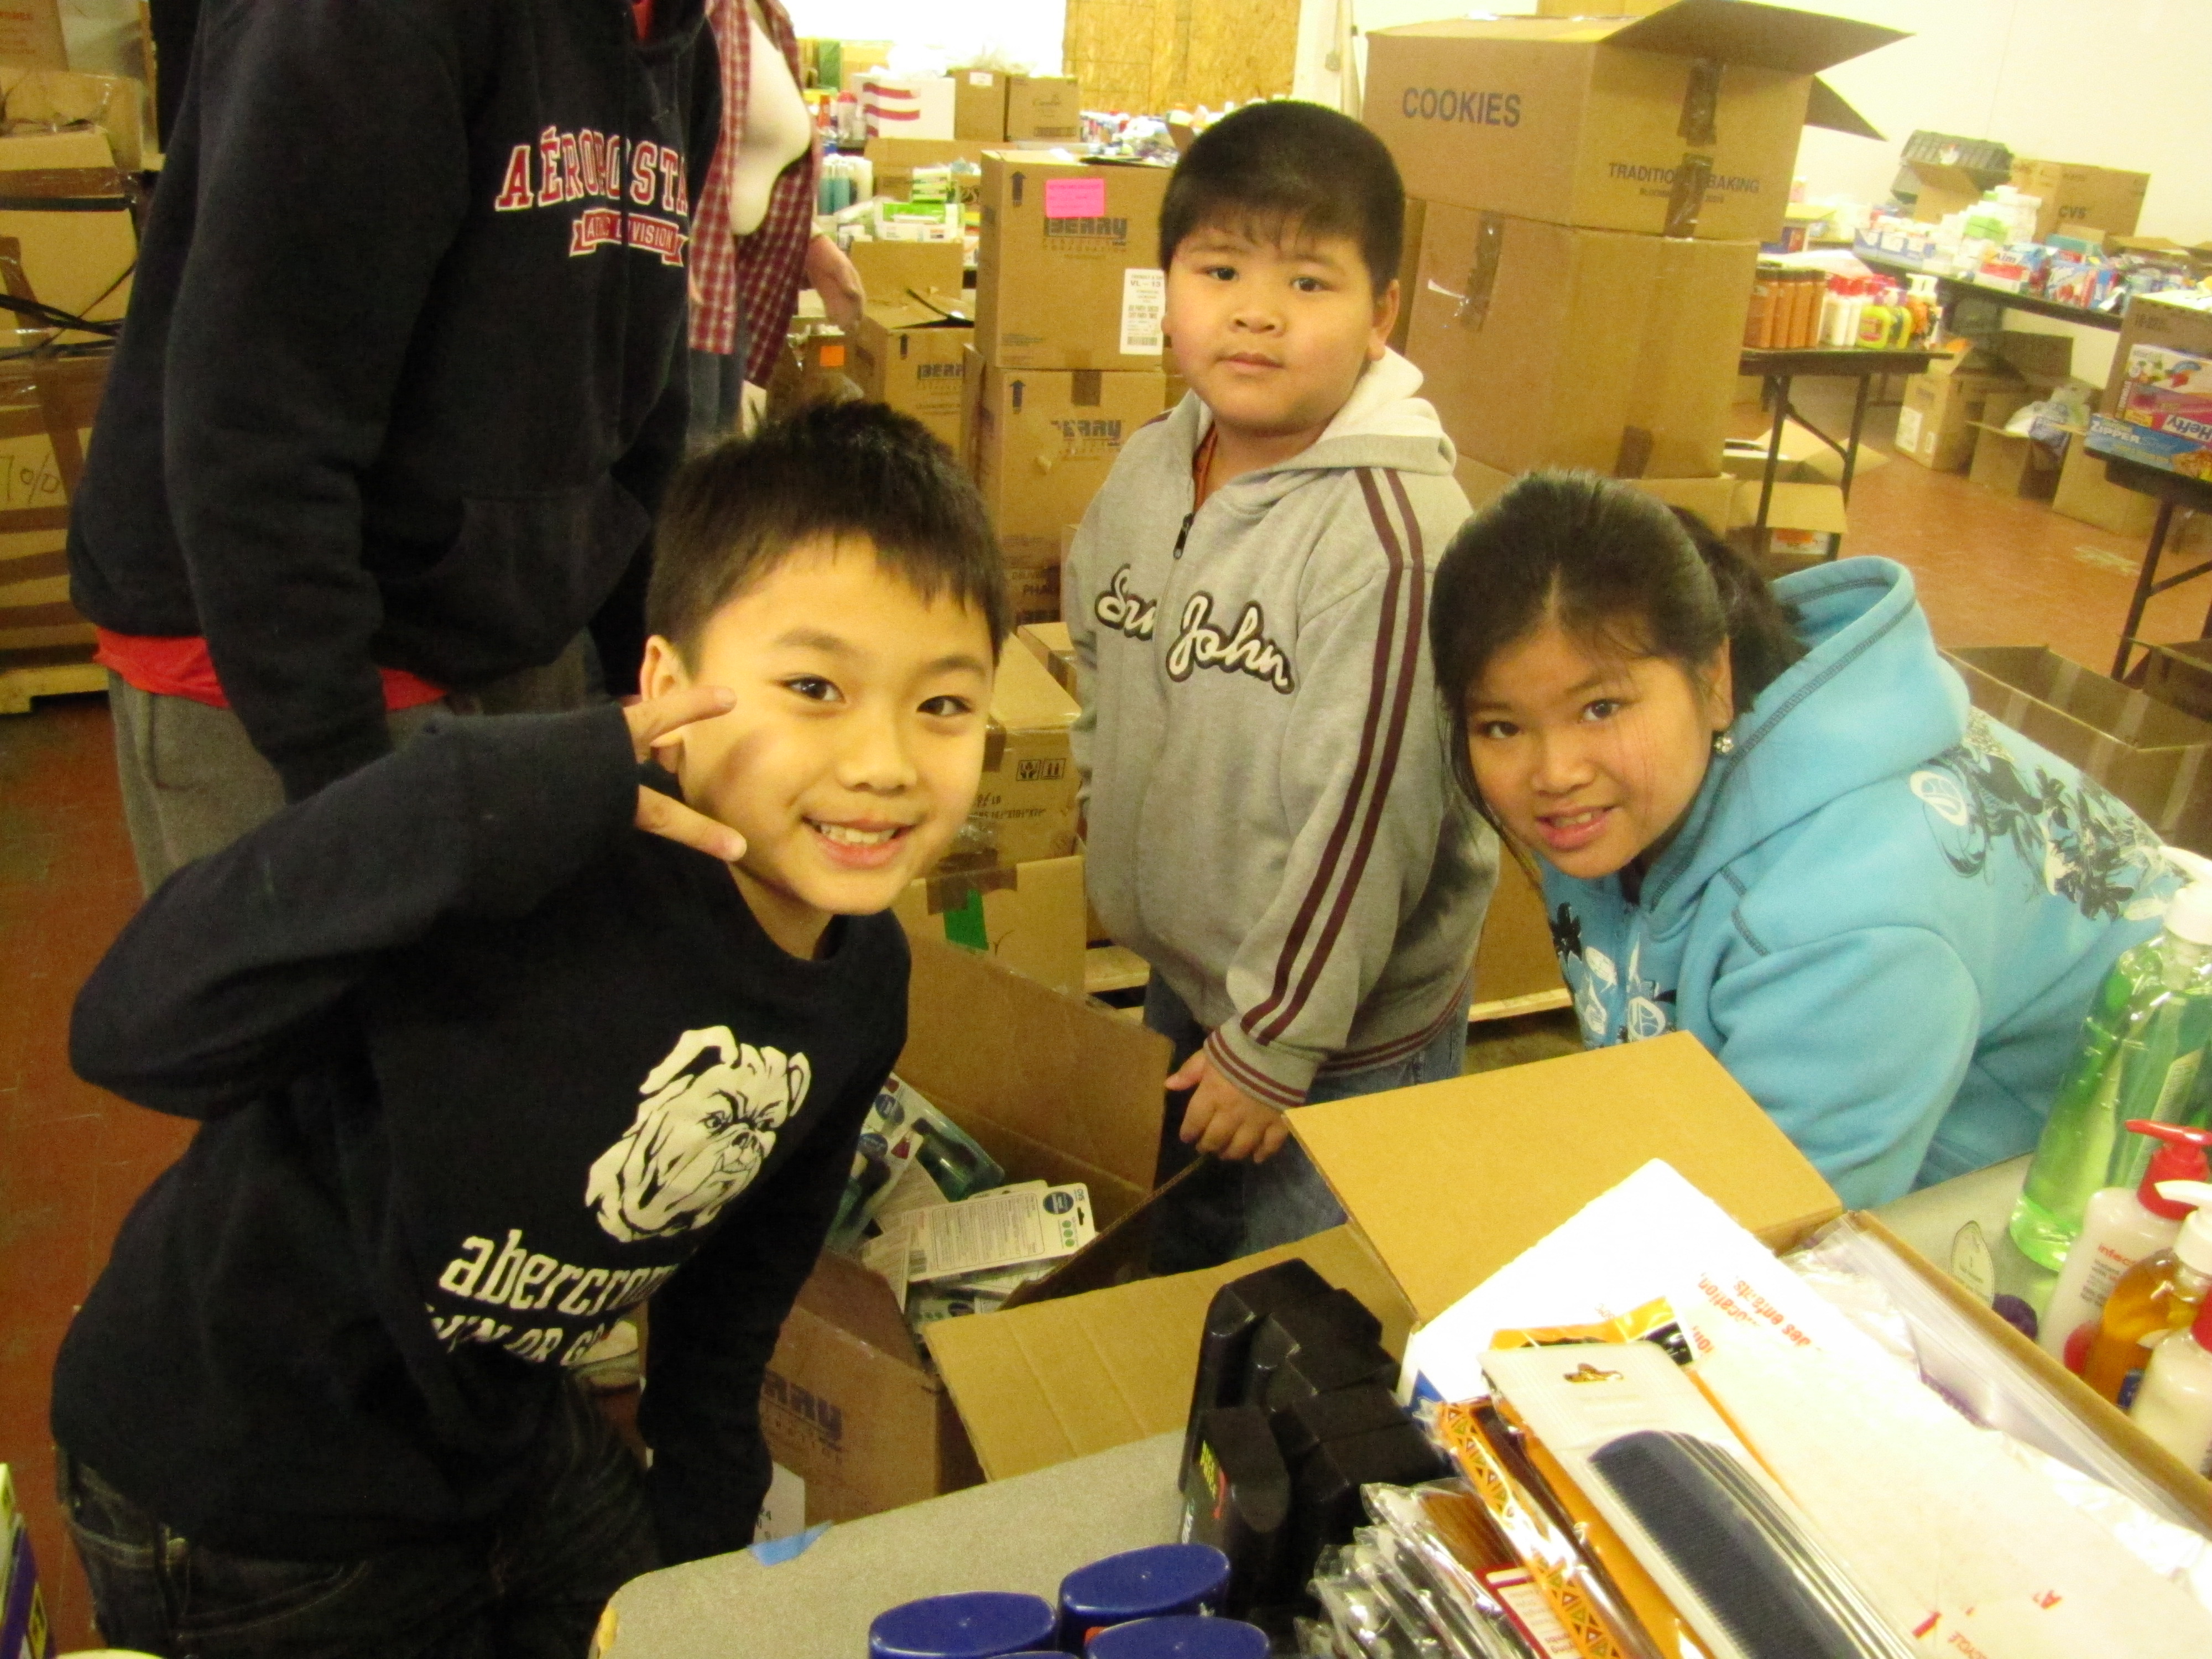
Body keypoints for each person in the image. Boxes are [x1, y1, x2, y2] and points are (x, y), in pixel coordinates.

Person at [51, 403, 1010, 1657]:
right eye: (814, 687)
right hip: (245, 1477)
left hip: (495, 1435)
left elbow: (734, 1300)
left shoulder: (861, 979)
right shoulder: (529, 864)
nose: (884, 761)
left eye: (944, 703)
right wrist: (458, 801)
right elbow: (128, 1032)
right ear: (664, 685)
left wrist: (701, 1558)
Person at [69, 0, 720, 891]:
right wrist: (347, 783)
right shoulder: (363, 20)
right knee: (333, 975)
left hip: (506, 633)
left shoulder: (680, 41)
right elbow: (255, 421)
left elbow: (642, 397)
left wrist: (643, 668)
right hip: (273, 646)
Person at [1430, 470, 2178, 1207]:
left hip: (2099, 1184)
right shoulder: (1633, 797)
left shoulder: (1846, 916)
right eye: (1501, 726)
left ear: (1714, 678)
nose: (1555, 773)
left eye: (1600, 708)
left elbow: (1791, 1221)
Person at [1066, 102, 1497, 1269]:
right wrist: (1105, 801)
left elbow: (1366, 825)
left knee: (1309, 1302)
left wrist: (1272, 1046)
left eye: (1308, 282)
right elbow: (1099, 648)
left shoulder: (1389, 543)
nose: (1256, 313)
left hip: (1336, 1041)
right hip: (1195, 974)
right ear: (1168, 286)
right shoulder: (1154, 463)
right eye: (1219, 271)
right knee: (1183, 1270)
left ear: (1381, 314)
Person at [685, 0, 867, 451]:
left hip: (726, 281)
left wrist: (812, 240)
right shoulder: (693, 12)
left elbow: (751, 151)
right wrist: (672, 240)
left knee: (715, 460)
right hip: (681, 289)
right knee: (684, 466)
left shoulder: (766, 15)